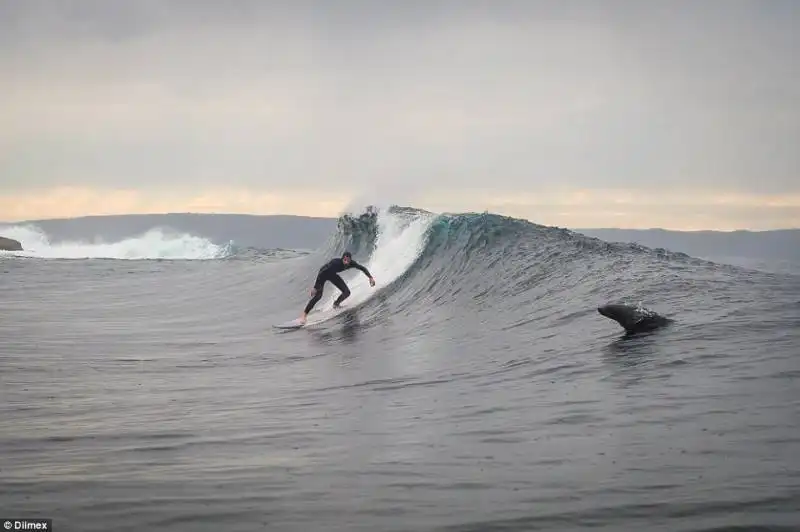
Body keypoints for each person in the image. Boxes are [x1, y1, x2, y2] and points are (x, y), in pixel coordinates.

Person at [299, 251, 375, 324]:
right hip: (323, 274)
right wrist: (315, 287)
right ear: (342, 259)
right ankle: (304, 315)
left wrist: (370, 277)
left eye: (348, 260)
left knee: (347, 292)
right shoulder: (335, 262)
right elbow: (322, 271)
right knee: (318, 296)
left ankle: (336, 304)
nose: (346, 262)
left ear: (350, 260)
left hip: (333, 275)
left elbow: (362, 268)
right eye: (345, 260)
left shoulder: (352, 263)